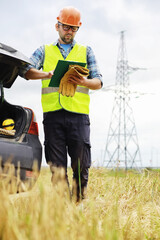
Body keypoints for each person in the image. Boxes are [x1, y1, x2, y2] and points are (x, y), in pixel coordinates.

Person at [20, 6, 103, 202]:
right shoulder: (44, 50)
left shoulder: (86, 51)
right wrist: (47, 74)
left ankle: (79, 203)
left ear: (77, 29)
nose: (69, 32)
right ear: (57, 26)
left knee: (81, 164)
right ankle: (62, 208)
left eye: (73, 28)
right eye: (66, 27)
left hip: (79, 116)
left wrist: (83, 81)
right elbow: (26, 71)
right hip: (53, 116)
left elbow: (98, 82)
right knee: (57, 166)